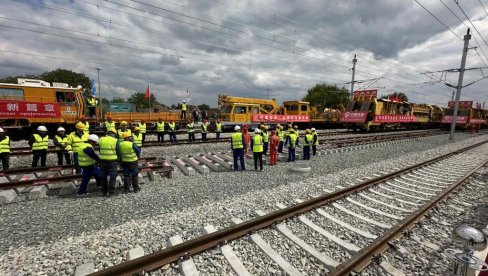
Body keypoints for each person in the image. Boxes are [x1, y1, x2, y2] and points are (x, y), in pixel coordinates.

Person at [98, 128, 119, 197]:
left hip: (102, 161)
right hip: (112, 162)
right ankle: (111, 193)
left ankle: (104, 192)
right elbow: (118, 151)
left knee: (103, 176)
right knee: (112, 177)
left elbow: (100, 150)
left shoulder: (101, 139)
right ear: (114, 133)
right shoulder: (115, 141)